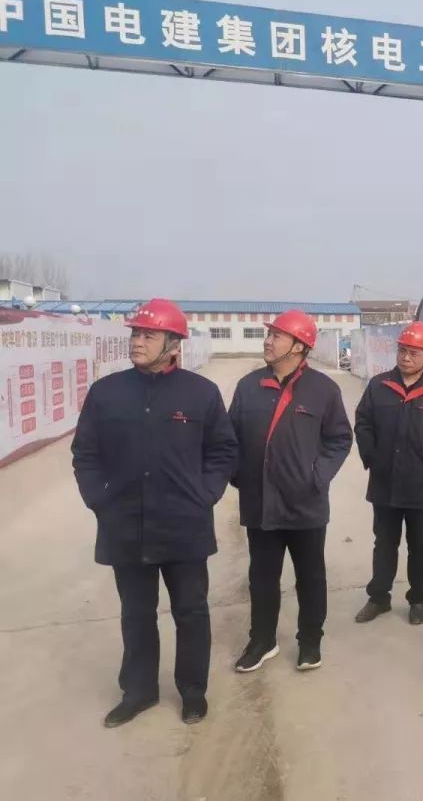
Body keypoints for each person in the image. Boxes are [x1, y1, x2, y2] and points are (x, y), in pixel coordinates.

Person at [71, 298, 237, 728]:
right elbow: (85, 453)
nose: (137, 341)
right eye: (135, 333)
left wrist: (205, 494)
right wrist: (99, 499)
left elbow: (223, 450)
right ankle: (139, 691)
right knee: (136, 613)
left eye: (148, 334)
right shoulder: (107, 392)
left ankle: (193, 692)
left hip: (184, 525)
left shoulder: (201, 394)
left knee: (191, 611)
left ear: (173, 343)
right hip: (125, 525)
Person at [229, 310, 353, 674]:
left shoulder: (323, 390)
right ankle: (262, 640)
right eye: (268, 335)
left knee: (311, 577)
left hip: (305, 504)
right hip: (260, 503)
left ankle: (310, 641)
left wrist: (317, 476)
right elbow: (229, 438)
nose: (268, 341)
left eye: (276, 336)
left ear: (299, 346)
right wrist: (239, 476)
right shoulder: (248, 386)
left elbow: (340, 438)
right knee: (262, 577)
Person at [354, 322, 423, 626]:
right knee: (384, 543)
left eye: (413, 353)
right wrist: (372, 456)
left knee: (420, 544)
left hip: (421, 486)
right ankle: (379, 598)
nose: (406, 357)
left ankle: (419, 600)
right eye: (402, 351)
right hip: (384, 483)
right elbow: (363, 422)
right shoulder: (379, 386)